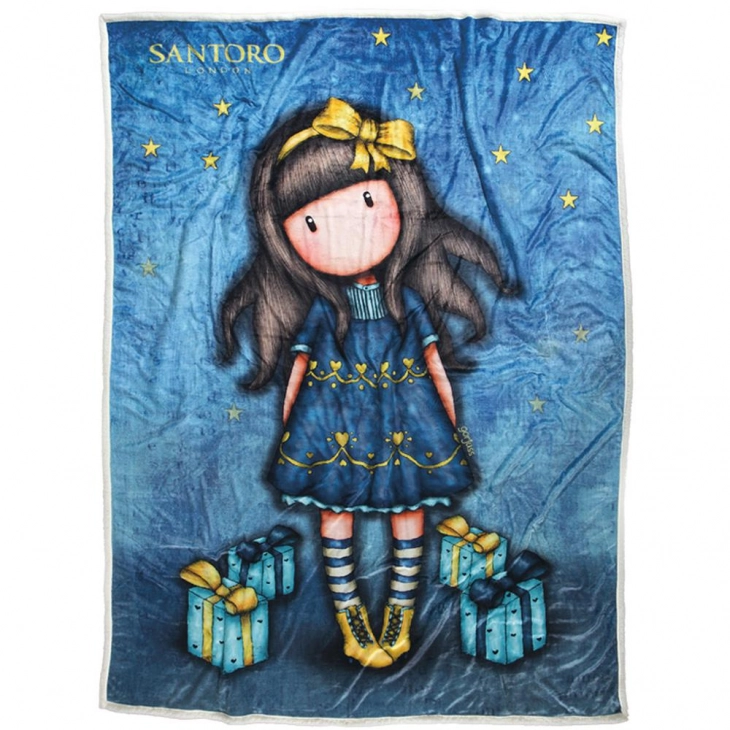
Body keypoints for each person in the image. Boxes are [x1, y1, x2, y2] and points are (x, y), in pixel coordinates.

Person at [221, 98, 510, 668]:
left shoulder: (407, 305)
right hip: (334, 426)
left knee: (410, 509)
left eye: (367, 202)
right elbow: (300, 370)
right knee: (336, 512)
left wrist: (449, 422)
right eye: (312, 223)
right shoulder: (324, 314)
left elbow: (432, 365)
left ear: (399, 198)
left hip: (407, 420)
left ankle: (399, 614)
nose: (343, 234)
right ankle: (352, 617)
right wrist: (292, 427)